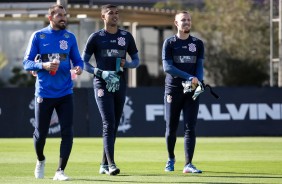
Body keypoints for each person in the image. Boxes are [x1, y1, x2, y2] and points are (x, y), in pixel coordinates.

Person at [23, 4, 84, 181]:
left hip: (65, 92)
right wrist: (43, 65)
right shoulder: (38, 36)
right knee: (40, 134)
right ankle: (40, 159)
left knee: (67, 132)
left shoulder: (69, 37)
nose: (63, 18)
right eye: (59, 15)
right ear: (50, 18)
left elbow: (77, 59)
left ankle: (60, 171)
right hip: (44, 92)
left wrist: (79, 67)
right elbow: (26, 63)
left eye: (65, 15)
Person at [81, 4, 139, 175]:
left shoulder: (126, 36)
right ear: (103, 17)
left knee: (113, 126)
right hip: (101, 84)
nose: (114, 16)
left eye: (116, 13)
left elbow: (136, 61)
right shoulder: (96, 37)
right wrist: (100, 73)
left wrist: (126, 64)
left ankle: (103, 164)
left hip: (119, 83)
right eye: (110, 13)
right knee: (108, 123)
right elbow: (83, 63)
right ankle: (112, 164)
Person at [162, 11, 204, 174]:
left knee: (190, 127)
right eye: (183, 20)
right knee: (171, 128)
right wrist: (189, 76)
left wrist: (198, 81)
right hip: (173, 89)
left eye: (188, 20)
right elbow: (168, 68)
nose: (186, 22)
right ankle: (171, 158)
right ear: (176, 23)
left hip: (192, 91)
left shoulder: (198, 43)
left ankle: (188, 164)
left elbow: (199, 65)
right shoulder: (170, 43)